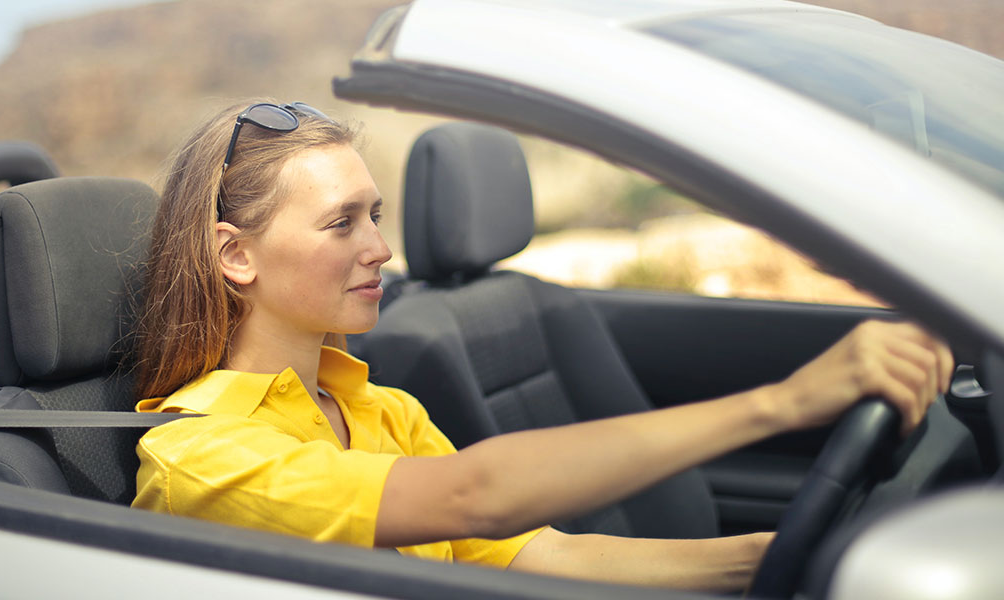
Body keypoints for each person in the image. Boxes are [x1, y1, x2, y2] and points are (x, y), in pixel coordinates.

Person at [129, 100, 953, 592]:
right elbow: (472, 496)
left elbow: (539, 556)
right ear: (235, 254)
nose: (380, 248)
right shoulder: (202, 455)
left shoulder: (378, 409)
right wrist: (781, 404)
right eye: (341, 223)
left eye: (375, 215)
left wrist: (794, 556)